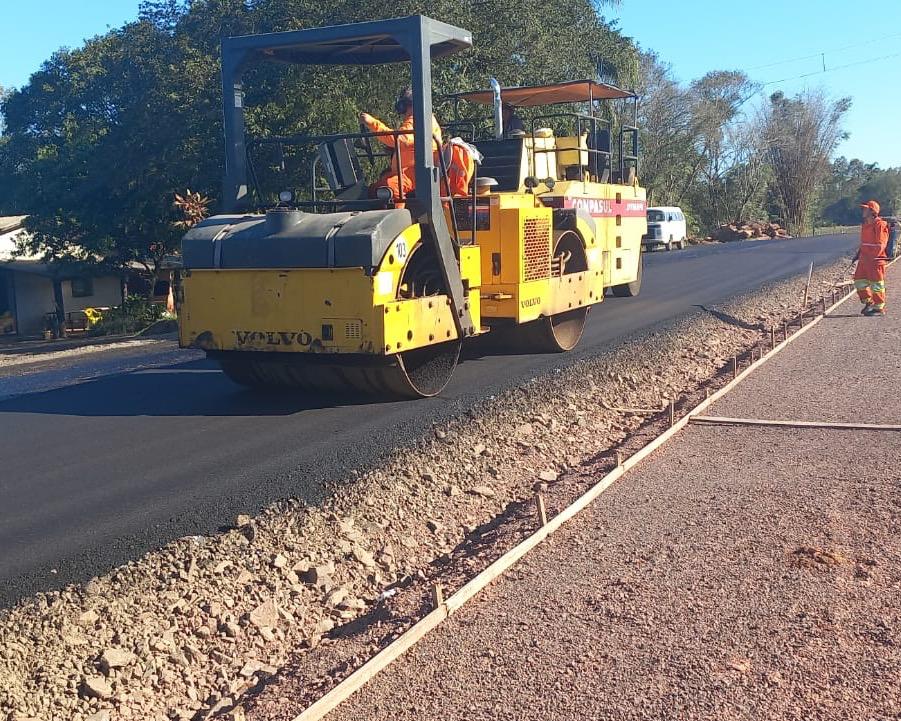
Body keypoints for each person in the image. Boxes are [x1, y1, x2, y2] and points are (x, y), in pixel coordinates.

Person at [360, 87, 442, 200]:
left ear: (408, 105)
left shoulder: (419, 120)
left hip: (418, 172)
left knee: (391, 189)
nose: (403, 113)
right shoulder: (421, 119)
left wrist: (372, 123)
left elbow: (399, 140)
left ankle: (399, 216)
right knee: (374, 189)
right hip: (408, 172)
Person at [853, 199, 890, 316]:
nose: (863, 211)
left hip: (875, 261)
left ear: (872, 211)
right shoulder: (865, 225)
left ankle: (879, 307)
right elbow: (864, 243)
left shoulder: (880, 225)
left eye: (865, 209)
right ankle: (869, 302)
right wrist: (859, 253)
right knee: (859, 281)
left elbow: (880, 245)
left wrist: (870, 256)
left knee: (877, 285)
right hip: (864, 260)